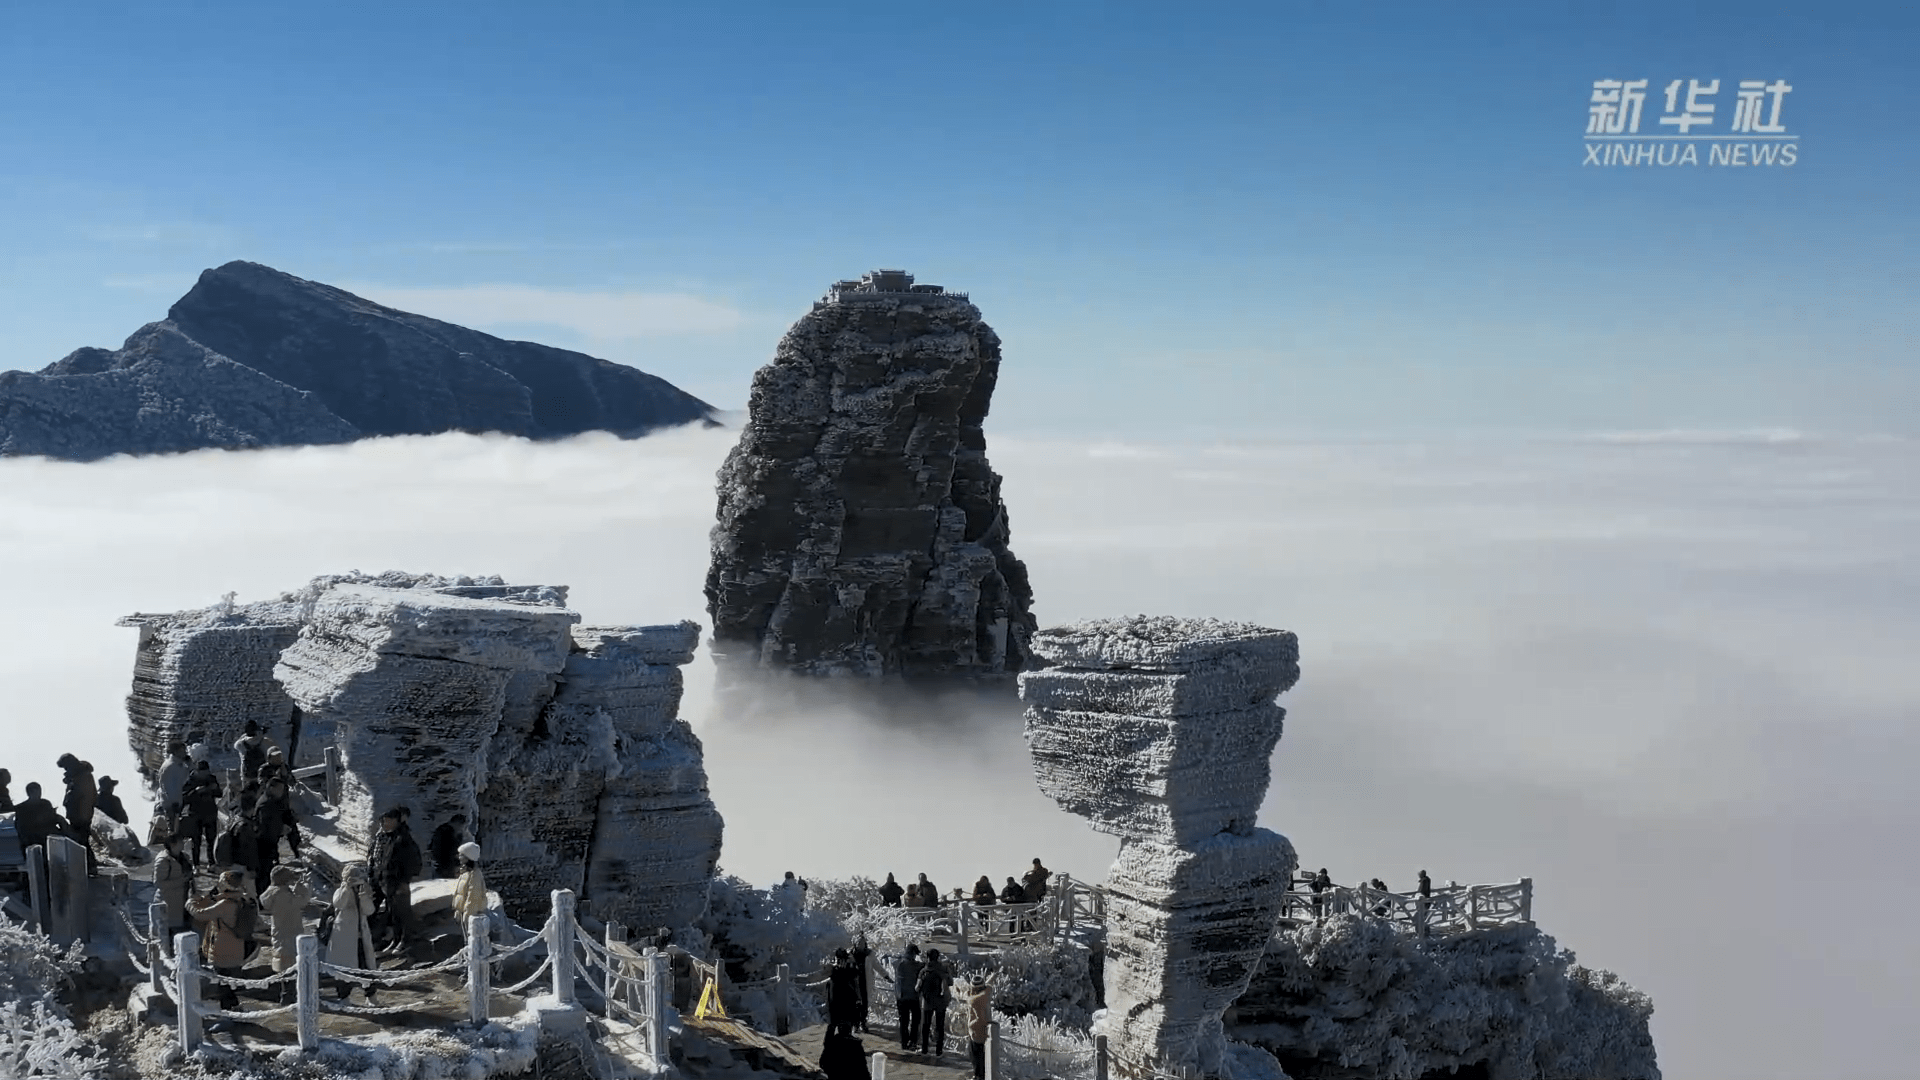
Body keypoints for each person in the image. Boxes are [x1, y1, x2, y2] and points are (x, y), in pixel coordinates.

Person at [187, 871, 250, 1009]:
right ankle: (235, 1009)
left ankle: (228, 1017)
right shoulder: (243, 899)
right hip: (238, 948)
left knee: (223, 986)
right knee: (230, 984)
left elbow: (201, 914)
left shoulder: (224, 905)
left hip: (222, 950)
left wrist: (190, 902)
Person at [325, 862, 381, 1003]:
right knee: (343, 970)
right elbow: (339, 903)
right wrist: (346, 888)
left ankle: (371, 996)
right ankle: (344, 997)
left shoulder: (363, 891)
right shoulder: (340, 891)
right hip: (344, 937)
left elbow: (370, 910)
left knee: (366, 968)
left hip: (361, 938)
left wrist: (364, 897)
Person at [257, 865, 310, 1003]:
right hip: (290, 933)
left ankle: (286, 993)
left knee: (283, 963)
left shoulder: (273, 893)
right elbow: (301, 902)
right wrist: (303, 889)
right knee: (289, 965)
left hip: (280, 932)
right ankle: (288, 997)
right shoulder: (282, 895)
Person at [373, 809, 422, 955]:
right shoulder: (387, 838)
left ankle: (406, 941)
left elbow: (413, 862)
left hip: (399, 883)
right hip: (388, 884)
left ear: (396, 820)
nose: (384, 823)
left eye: (388, 820)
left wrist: (405, 881)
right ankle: (395, 940)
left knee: (403, 913)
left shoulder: (403, 838)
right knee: (393, 914)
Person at [178, 762, 222, 868]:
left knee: (211, 839)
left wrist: (214, 789)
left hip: (210, 813)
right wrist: (196, 792)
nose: (205, 775)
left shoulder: (212, 778)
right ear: (197, 772)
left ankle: (211, 862)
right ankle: (196, 864)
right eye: (203, 773)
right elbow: (185, 798)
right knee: (195, 840)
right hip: (195, 813)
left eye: (206, 772)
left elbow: (219, 794)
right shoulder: (190, 781)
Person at [915, 947, 952, 1058]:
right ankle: (939, 1051)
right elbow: (950, 982)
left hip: (927, 1001)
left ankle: (925, 1049)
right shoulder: (944, 969)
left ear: (928, 957)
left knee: (926, 1025)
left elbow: (917, 988)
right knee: (940, 1026)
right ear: (938, 957)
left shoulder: (924, 970)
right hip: (941, 1001)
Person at [153, 835, 193, 935]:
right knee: (168, 934)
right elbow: (158, 883)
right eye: (181, 841)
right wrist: (181, 880)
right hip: (169, 903)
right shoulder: (163, 860)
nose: (183, 843)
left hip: (184, 901)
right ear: (172, 844)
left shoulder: (184, 857)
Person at [13, 782, 65, 854]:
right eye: (34, 791)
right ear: (28, 793)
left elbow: (52, 819)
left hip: (48, 839)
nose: (38, 793)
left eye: (38, 791)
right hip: (31, 840)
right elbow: (20, 826)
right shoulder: (21, 808)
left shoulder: (45, 804)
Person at [57, 754, 97, 841]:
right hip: (77, 816)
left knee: (82, 843)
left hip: (81, 817)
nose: (65, 770)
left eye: (66, 767)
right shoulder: (76, 777)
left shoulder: (83, 777)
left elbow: (85, 797)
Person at [893, 944, 924, 1051]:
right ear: (913, 954)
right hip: (913, 997)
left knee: (903, 1021)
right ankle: (913, 1041)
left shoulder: (898, 964)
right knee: (915, 1020)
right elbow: (925, 966)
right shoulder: (917, 965)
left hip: (900, 996)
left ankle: (904, 1042)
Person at [824, 947, 861, 1038]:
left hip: (845, 1002)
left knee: (843, 1026)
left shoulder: (850, 970)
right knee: (833, 1025)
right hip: (839, 1002)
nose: (841, 961)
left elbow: (855, 982)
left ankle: (837, 1045)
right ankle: (830, 1046)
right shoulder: (835, 971)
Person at [452, 842, 489, 931]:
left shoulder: (474, 875)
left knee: (472, 940)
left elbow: (473, 896)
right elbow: (460, 892)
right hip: (463, 913)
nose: (459, 857)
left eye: (462, 855)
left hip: (471, 915)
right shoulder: (465, 873)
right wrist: (458, 909)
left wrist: (468, 913)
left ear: (468, 857)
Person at [428, 814, 472, 879]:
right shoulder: (445, 832)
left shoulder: (455, 833)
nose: (462, 828)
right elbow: (444, 851)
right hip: (444, 865)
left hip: (447, 865)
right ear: (456, 822)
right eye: (461, 825)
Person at [967, 978, 992, 1080]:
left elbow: (980, 1019)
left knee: (976, 1060)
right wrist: (993, 976)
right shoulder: (986, 994)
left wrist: (970, 1025)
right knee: (982, 1060)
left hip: (976, 1034)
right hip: (984, 1033)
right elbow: (990, 984)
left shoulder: (976, 1001)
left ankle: (977, 1077)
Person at [233, 720, 271, 787]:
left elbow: (235, 746)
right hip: (262, 774)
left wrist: (244, 735)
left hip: (247, 776)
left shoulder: (240, 744)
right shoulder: (264, 741)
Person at [157, 742, 190, 814]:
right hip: (171, 806)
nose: (185, 753)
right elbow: (168, 787)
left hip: (177, 803)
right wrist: (174, 803)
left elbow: (185, 779)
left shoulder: (179, 765)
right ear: (176, 752)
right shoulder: (170, 766)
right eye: (182, 751)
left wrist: (189, 764)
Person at [850, 933, 873, 1033]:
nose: (861, 945)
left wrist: (886, 976)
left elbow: (877, 965)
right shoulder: (850, 954)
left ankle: (863, 1022)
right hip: (853, 983)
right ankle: (856, 1024)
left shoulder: (869, 954)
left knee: (864, 1004)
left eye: (863, 943)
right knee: (854, 1004)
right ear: (855, 943)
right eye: (859, 943)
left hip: (864, 981)